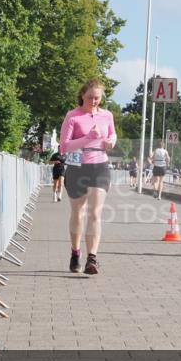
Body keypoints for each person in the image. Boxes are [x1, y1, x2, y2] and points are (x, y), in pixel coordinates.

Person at [59, 79, 116, 275]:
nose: (94, 101)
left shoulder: (107, 115)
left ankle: (92, 258)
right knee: (78, 213)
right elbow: (64, 146)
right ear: (83, 95)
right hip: (77, 167)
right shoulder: (73, 116)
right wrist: (86, 139)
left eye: (97, 98)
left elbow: (113, 135)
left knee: (95, 213)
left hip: (99, 166)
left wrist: (110, 142)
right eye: (90, 97)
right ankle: (75, 253)